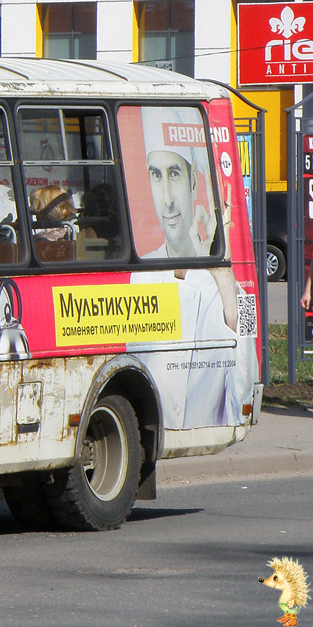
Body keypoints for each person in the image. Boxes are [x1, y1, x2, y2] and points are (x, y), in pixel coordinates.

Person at [127, 108, 250, 430]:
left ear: (194, 182)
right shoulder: (138, 272)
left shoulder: (230, 281)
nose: (166, 199)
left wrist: (218, 265)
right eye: (156, 175)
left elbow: (243, 361)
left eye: (175, 174)